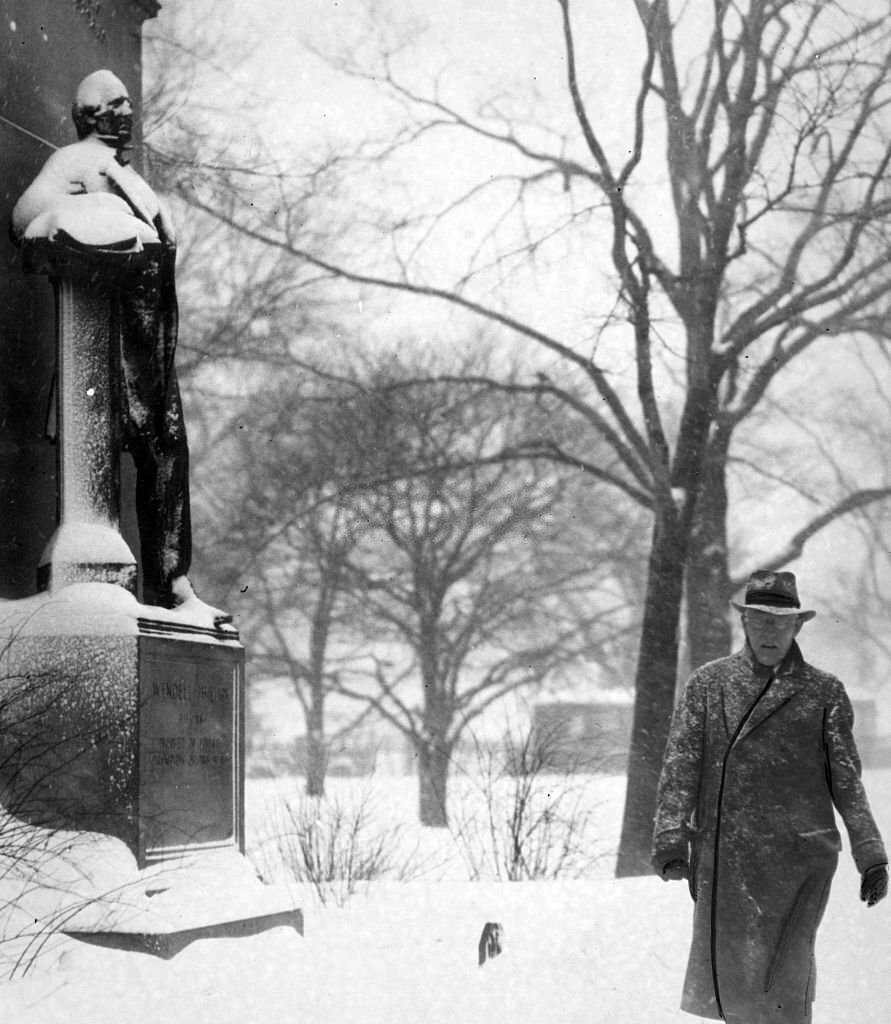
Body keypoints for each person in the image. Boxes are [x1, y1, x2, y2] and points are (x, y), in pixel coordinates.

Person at [10, 70, 227, 623]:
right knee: (109, 454)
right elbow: (27, 217)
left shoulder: (126, 174)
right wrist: (88, 219)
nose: (127, 111)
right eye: (115, 104)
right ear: (90, 116)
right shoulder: (73, 163)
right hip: (105, 340)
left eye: (128, 102)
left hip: (149, 344)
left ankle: (171, 579)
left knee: (168, 455)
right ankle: (104, 574)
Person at [652, 569, 887, 1024]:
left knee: (787, 983)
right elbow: (680, 766)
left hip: (801, 860)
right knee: (737, 985)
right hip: (727, 859)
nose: (769, 632)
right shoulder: (708, 685)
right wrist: (670, 840)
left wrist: (872, 856)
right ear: (744, 623)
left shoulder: (824, 693)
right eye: (760, 620)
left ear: (797, 626)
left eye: (780, 622)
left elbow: (847, 782)